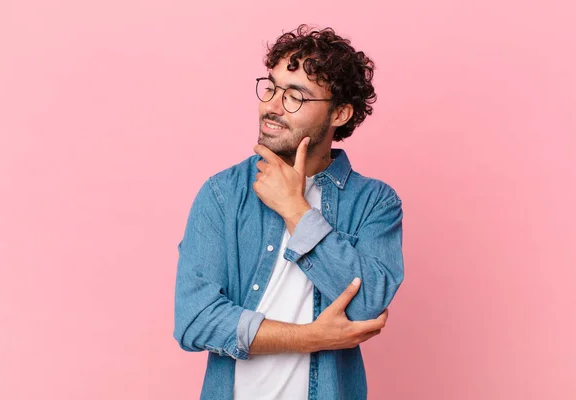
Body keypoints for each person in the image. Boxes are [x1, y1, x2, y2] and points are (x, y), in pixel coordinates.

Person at [173, 24, 405, 400]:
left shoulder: (374, 202)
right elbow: (195, 321)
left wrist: (296, 210)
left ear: (340, 113)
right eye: (272, 88)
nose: (273, 106)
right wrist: (311, 338)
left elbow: (367, 308)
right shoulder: (222, 194)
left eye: (296, 96)